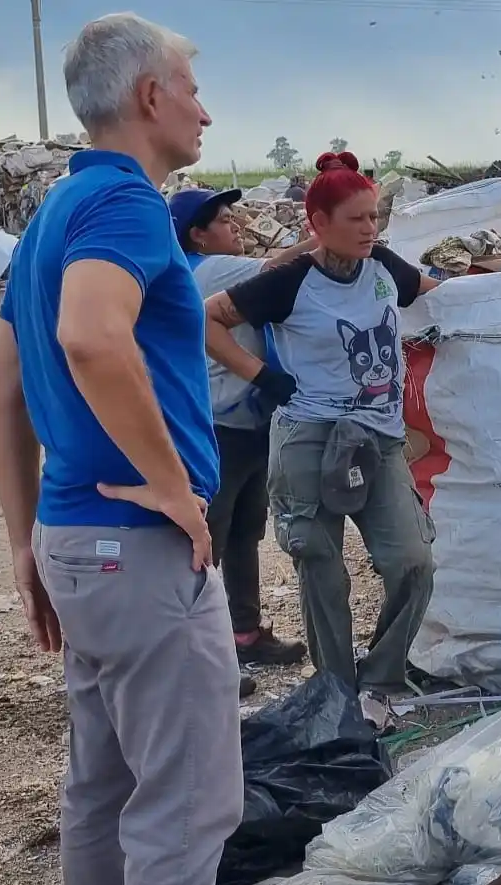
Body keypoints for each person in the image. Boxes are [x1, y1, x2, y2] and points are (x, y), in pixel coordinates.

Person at [0, 13, 241, 885]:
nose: (205, 114)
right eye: (193, 91)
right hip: (139, 544)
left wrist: (27, 543)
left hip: (75, 540)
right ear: (149, 95)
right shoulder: (126, 202)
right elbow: (91, 336)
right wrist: (174, 485)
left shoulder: (53, 210)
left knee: (104, 788)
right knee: (187, 806)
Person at [204, 151, 441, 697]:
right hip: (308, 436)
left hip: (378, 440)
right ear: (318, 225)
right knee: (320, 564)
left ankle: (382, 676)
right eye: (356, 219)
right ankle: (335, 689)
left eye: (374, 216)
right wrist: (262, 375)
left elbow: (438, 295)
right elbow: (210, 318)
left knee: (412, 560)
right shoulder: (290, 281)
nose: (370, 228)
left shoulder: (385, 268)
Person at [169, 187, 315, 671]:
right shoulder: (209, 269)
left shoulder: (203, 267)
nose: (236, 228)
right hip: (221, 425)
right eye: (226, 222)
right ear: (198, 236)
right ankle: (201, 653)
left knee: (242, 532)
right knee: (211, 536)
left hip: (244, 420)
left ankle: (243, 633)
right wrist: (323, 240)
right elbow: (277, 268)